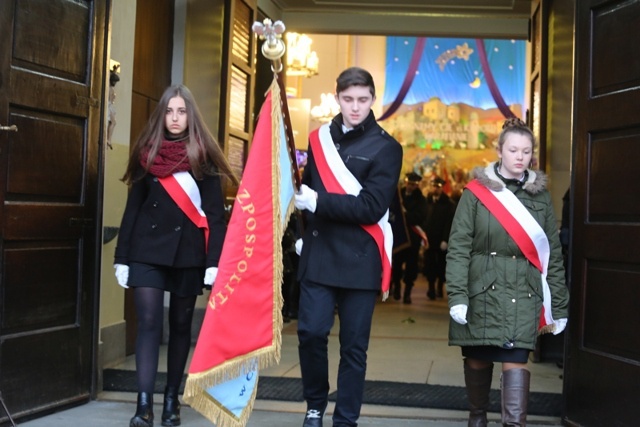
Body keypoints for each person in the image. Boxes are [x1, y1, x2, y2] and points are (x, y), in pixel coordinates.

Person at [113, 84, 238, 427]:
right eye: (169, 111)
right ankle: (143, 406)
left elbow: (214, 216)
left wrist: (214, 262)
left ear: (190, 115)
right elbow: (133, 209)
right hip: (146, 252)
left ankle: (171, 400)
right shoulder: (146, 153)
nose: (175, 118)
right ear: (161, 115)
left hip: (188, 254)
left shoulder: (204, 157)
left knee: (180, 325)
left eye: (181, 111)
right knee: (149, 324)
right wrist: (122, 257)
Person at [293, 67, 403, 427]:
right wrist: (299, 232)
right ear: (337, 98)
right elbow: (301, 193)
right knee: (310, 333)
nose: (355, 107)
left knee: (353, 348)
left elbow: (372, 207)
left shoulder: (388, 148)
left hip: (360, 258)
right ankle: (314, 404)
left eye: (363, 100)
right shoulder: (318, 138)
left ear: (373, 100)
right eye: (348, 99)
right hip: (319, 252)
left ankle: (345, 419)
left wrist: (319, 204)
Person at [445, 117, 569, 426]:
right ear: (499, 150)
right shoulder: (475, 193)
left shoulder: (540, 196)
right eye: (513, 150)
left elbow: (551, 254)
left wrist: (559, 305)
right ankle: (477, 418)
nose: (519, 157)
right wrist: (457, 295)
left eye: (526, 152)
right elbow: (459, 247)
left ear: (532, 154)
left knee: (516, 363)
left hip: (522, 295)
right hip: (481, 293)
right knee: (477, 360)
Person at [391, 172, 427, 303]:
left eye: (414, 184)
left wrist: (406, 214)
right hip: (399, 236)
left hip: (412, 239)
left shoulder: (421, 199)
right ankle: (396, 287)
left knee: (411, 266)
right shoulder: (397, 196)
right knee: (397, 264)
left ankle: (407, 292)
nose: (411, 186)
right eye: (409, 183)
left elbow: (421, 216)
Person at [422, 176, 455, 300]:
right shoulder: (428, 201)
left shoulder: (448, 203)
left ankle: (439, 287)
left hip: (441, 239)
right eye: (434, 186)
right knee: (430, 264)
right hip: (429, 239)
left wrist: (446, 239)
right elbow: (424, 220)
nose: (436, 189)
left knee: (441, 264)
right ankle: (431, 288)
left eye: (438, 187)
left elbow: (449, 222)